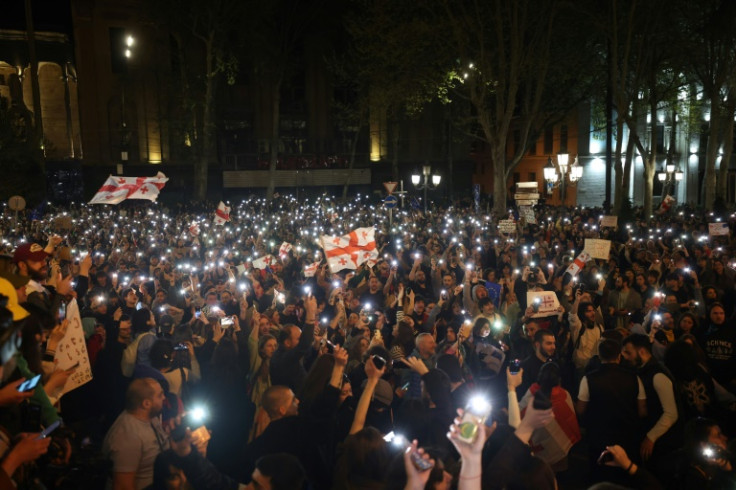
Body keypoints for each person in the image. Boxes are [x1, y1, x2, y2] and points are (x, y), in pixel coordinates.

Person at [576, 338, 647, 485]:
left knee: (600, 476)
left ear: (600, 356)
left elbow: (580, 410)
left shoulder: (588, 379)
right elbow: (642, 411)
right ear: (619, 356)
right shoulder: (634, 378)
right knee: (624, 477)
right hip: (627, 437)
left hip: (599, 438)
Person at [622, 334, 680, 467]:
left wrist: (650, 437)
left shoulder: (658, 375)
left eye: (628, 352)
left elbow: (671, 413)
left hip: (662, 443)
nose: (625, 356)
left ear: (641, 351)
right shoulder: (643, 371)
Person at [103, 377, 169, 490]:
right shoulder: (128, 436)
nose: (164, 398)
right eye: (160, 395)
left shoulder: (151, 418)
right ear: (146, 404)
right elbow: (123, 486)